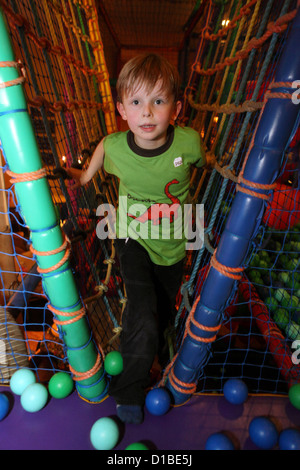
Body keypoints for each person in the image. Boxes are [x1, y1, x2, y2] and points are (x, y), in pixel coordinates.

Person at [68, 53, 206, 424]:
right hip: (132, 239)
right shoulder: (112, 147)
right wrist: (71, 176)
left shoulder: (189, 143)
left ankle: (160, 359)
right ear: (121, 110)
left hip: (174, 247)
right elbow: (85, 175)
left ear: (175, 109)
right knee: (142, 308)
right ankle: (129, 391)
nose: (147, 112)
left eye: (158, 101)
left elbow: (205, 164)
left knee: (163, 314)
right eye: (136, 102)